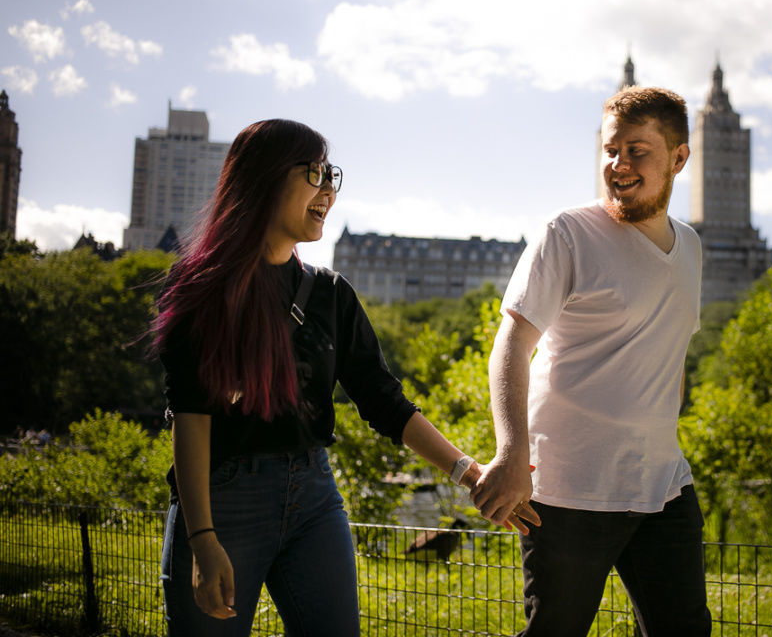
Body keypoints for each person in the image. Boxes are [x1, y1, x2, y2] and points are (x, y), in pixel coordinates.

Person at [150, 119, 537, 636]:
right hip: (223, 499)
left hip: (313, 497)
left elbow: (383, 400)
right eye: (314, 173)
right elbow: (191, 417)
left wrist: (470, 473)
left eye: (332, 175)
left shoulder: (331, 294)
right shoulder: (199, 287)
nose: (328, 190)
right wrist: (202, 537)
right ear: (264, 178)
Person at [471, 87, 711, 636]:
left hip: (663, 488)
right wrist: (512, 451)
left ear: (679, 158)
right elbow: (511, 344)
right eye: (609, 151)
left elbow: (672, 357)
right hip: (568, 492)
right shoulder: (569, 232)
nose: (618, 165)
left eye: (637, 150)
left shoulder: (692, 248)